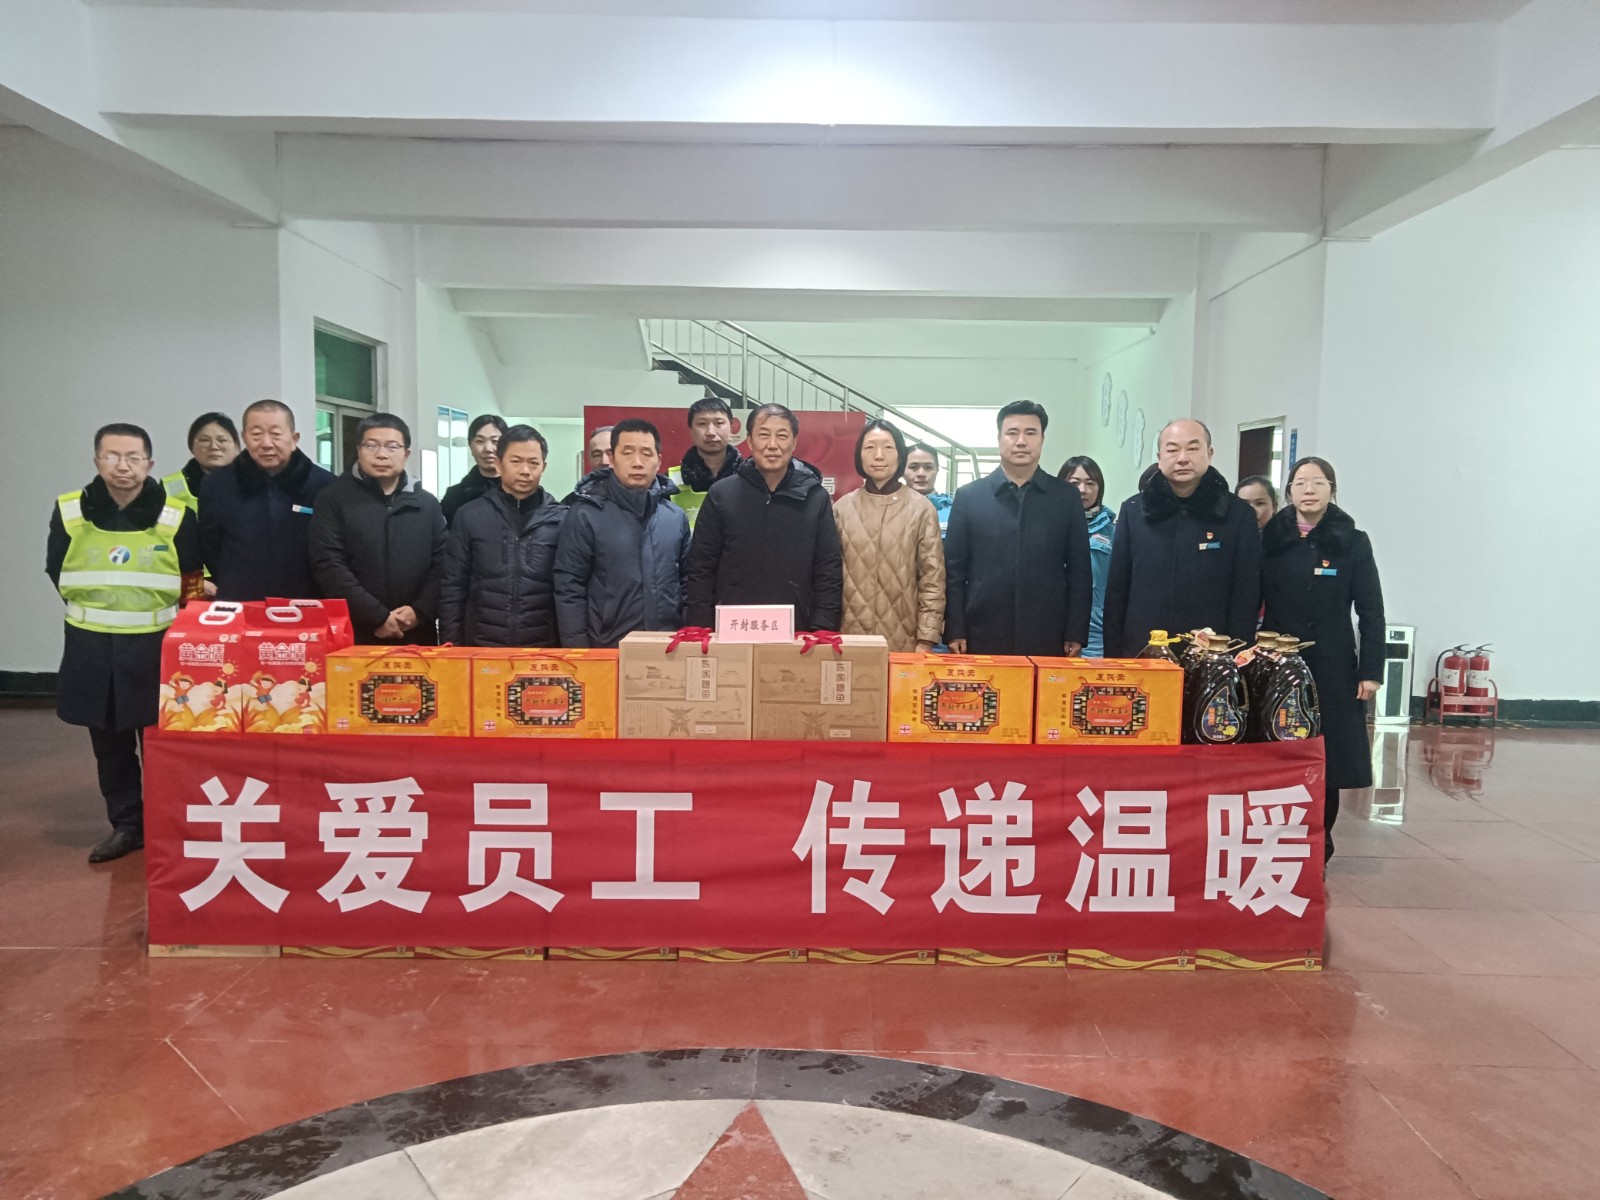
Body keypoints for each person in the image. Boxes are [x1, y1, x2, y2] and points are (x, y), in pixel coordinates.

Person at [47, 424, 203, 862]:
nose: (123, 466)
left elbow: (191, 579)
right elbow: (56, 569)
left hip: (156, 647)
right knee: (109, 746)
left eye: (133, 457)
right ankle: (127, 825)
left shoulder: (175, 515)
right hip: (91, 646)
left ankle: (167, 824)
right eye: (112, 456)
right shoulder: (71, 510)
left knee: (160, 743)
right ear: (97, 460)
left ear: (149, 463)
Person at [1261, 457, 1385, 860]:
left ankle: (1320, 844)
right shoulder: (1270, 539)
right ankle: (1274, 838)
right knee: (1275, 752)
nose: (1309, 490)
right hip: (1277, 662)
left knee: (1326, 758)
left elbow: (1371, 610)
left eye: (1318, 482)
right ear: (1288, 492)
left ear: (1332, 489)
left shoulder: (1353, 541)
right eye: (1300, 483)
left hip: (1332, 664)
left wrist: (1370, 670)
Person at [1102, 419, 1261, 657]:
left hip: (1212, 656)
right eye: (1173, 449)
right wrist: (1114, 656)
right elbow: (1117, 591)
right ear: (1159, 457)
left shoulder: (1238, 515)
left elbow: (1245, 595)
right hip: (1143, 651)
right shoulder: (1134, 511)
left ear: (1209, 453)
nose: (1182, 458)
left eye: (1193, 448)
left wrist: (1236, 657)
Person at [944, 401, 1090, 657]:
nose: (1021, 441)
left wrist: (1075, 631)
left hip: (1048, 632)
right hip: (981, 630)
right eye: (1012, 433)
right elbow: (954, 571)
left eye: (1030, 433)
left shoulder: (1065, 497)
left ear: (1042, 439)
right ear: (999, 438)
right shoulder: (969, 497)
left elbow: (1079, 572)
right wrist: (955, 629)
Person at [684, 403, 842, 632]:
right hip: (732, 628)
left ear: (794, 442)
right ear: (749, 441)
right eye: (764, 435)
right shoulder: (722, 494)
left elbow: (828, 568)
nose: (772, 445)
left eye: (782, 436)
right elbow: (701, 566)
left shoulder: (815, 497)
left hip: (797, 629)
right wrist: (701, 625)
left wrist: (823, 625)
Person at [308, 414, 447, 645]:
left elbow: (443, 563)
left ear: (406, 454)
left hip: (416, 632)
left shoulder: (426, 504)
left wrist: (420, 611)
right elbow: (329, 564)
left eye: (392, 446)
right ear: (359, 450)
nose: (382, 454)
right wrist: (376, 617)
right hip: (355, 630)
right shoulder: (333, 498)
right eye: (371, 445)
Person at [553, 418, 691, 647]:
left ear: (658, 461)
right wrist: (579, 652)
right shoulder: (585, 515)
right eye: (627, 453)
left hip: (667, 647)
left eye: (646, 453)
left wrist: (686, 640)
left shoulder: (675, 518)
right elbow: (569, 588)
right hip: (607, 647)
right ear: (612, 459)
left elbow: (687, 585)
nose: (637, 462)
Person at [438, 424, 566, 646]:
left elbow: (569, 590)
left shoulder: (562, 519)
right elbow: (453, 586)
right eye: (516, 461)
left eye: (533, 463)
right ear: (498, 463)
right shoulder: (470, 516)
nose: (525, 470)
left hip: (543, 646)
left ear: (543, 467)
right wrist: (451, 644)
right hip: (482, 644)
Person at [198, 399, 338, 601]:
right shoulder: (217, 484)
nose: (266, 443)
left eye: (276, 434)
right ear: (244, 437)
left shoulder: (325, 485)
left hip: (306, 600)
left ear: (294, 438)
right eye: (256, 434)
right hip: (240, 599)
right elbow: (211, 546)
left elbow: (331, 552)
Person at [832, 420, 945, 652]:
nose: (879, 455)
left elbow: (932, 580)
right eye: (870, 447)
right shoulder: (842, 508)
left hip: (905, 639)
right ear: (859, 455)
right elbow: (829, 576)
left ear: (900, 455)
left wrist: (926, 638)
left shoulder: (921, 509)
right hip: (849, 638)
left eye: (888, 447)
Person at [1059, 455, 1114, 657]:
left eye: (1090, 483)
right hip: (1053, 630)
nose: (1082, 490)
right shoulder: (1047, 526)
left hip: (1096, 637)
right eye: (1074, 483)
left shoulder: (1113, 532)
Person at [672, 396, 743, 528]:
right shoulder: (671, 482)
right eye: (702, 424)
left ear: (731, 428)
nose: (711, 432)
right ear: (691, 431)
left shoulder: (749, 477)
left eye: (719, 423)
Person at [161, 412, 239, 513]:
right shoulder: (170, 487)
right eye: (204, 440)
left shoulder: (253, 483)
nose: (213, 446)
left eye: (222, 440)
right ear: (191, 446)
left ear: (236, 446)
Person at [441, 414, 508, 525]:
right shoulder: (455, 496)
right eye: (480, 441)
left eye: (495, 441)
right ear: (470, 447)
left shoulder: (520, 491)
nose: (488, 449)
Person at [904, 443, 954, 537]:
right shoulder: (889, 511)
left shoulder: (954, 512)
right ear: (901, 470)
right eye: (913, 467)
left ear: (937, 470)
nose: (921, 473)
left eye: (928, 467)